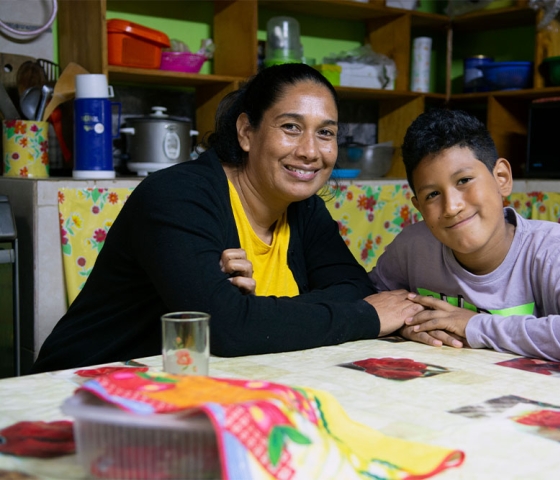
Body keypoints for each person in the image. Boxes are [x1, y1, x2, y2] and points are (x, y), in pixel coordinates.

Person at [32, 64, 420, 373]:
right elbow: (227, 330)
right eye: (291, 127)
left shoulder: (303, 209)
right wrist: (367, 317)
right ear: (246, 132)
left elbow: (353, 288)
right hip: (80, 390)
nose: (310, 151)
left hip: (190, 390)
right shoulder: (177, 197)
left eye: (326, 133)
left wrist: (257, 314)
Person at [368, 109, 560, 370]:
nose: (451, 206)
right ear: (419, 207)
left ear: (502, 179)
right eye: (432, 195)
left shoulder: (551, 249)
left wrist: (474, 325)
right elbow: (367, 302)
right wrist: (407, 325)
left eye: (464, 180)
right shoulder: (413, 247)